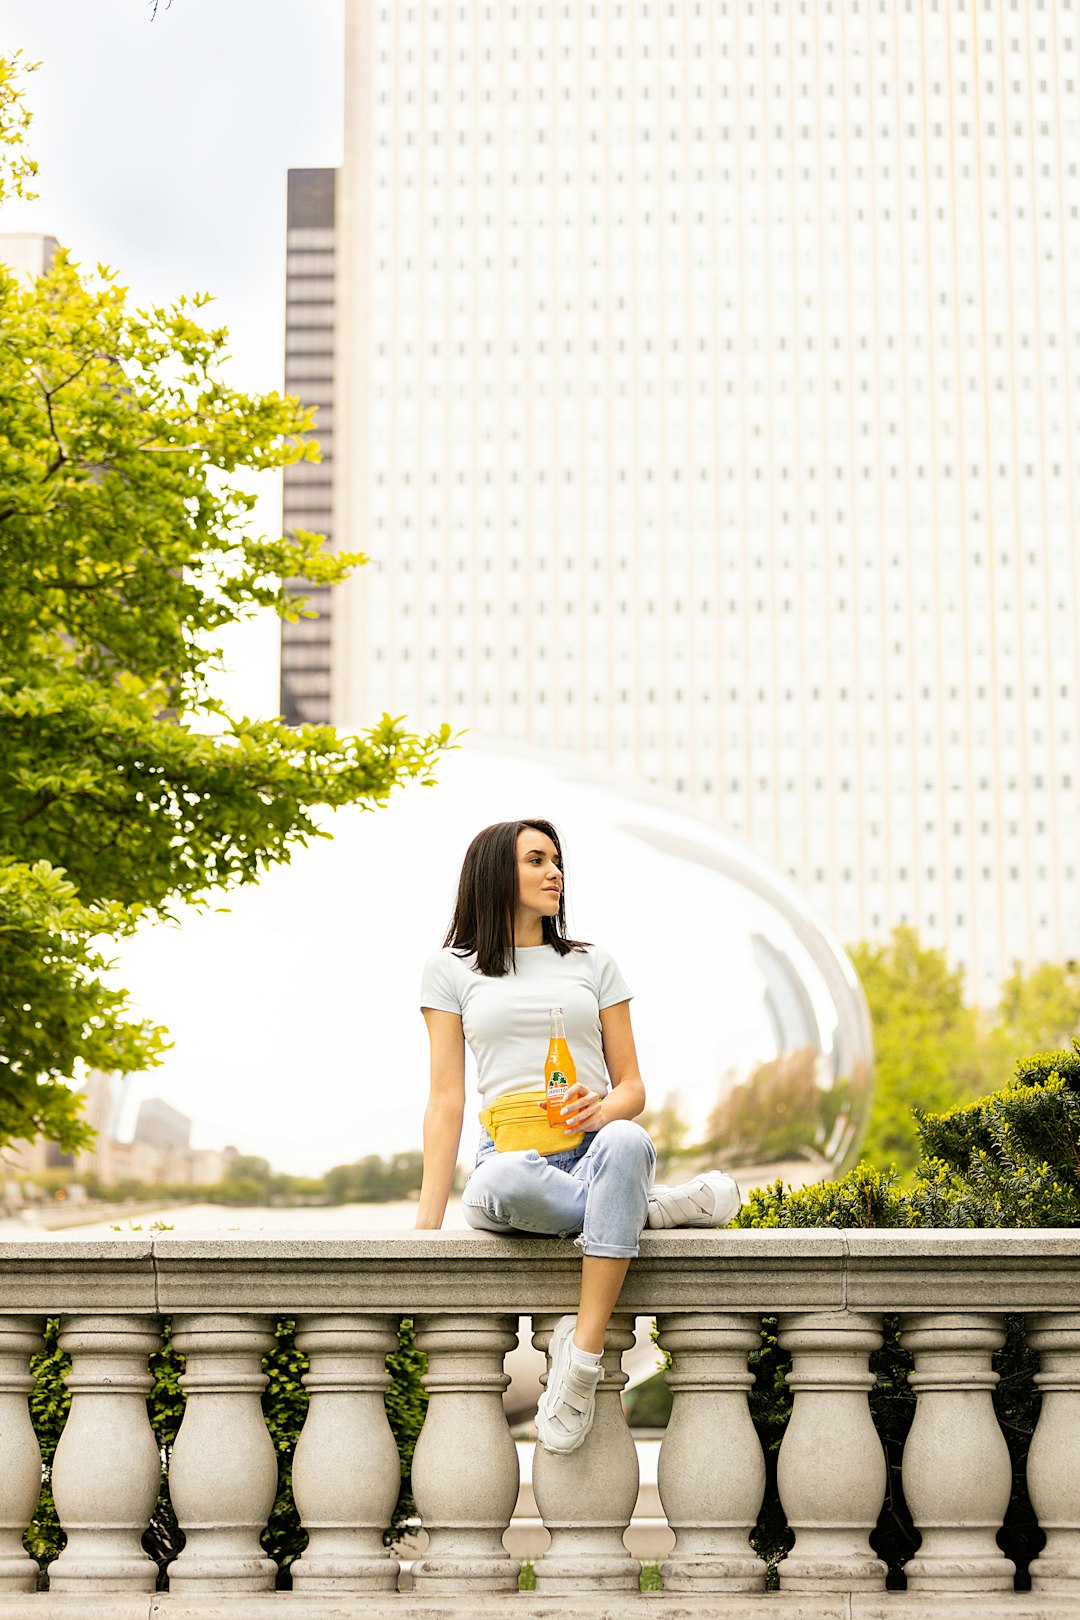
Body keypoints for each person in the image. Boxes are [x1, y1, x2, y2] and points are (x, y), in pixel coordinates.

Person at [417, 817, 740, 1455]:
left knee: (626, 1141)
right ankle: (643, 1212)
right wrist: (425, 1233)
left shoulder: (594, 963)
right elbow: (446, 1099)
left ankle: (583, 1356)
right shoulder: (449, 970)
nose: (554, 873)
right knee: (501, 1181)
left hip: (596, 1152)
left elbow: (633, 1089)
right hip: (513, 1161)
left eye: (557, 861)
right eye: (536, 860)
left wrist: (600, 1111)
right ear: (493, 874)